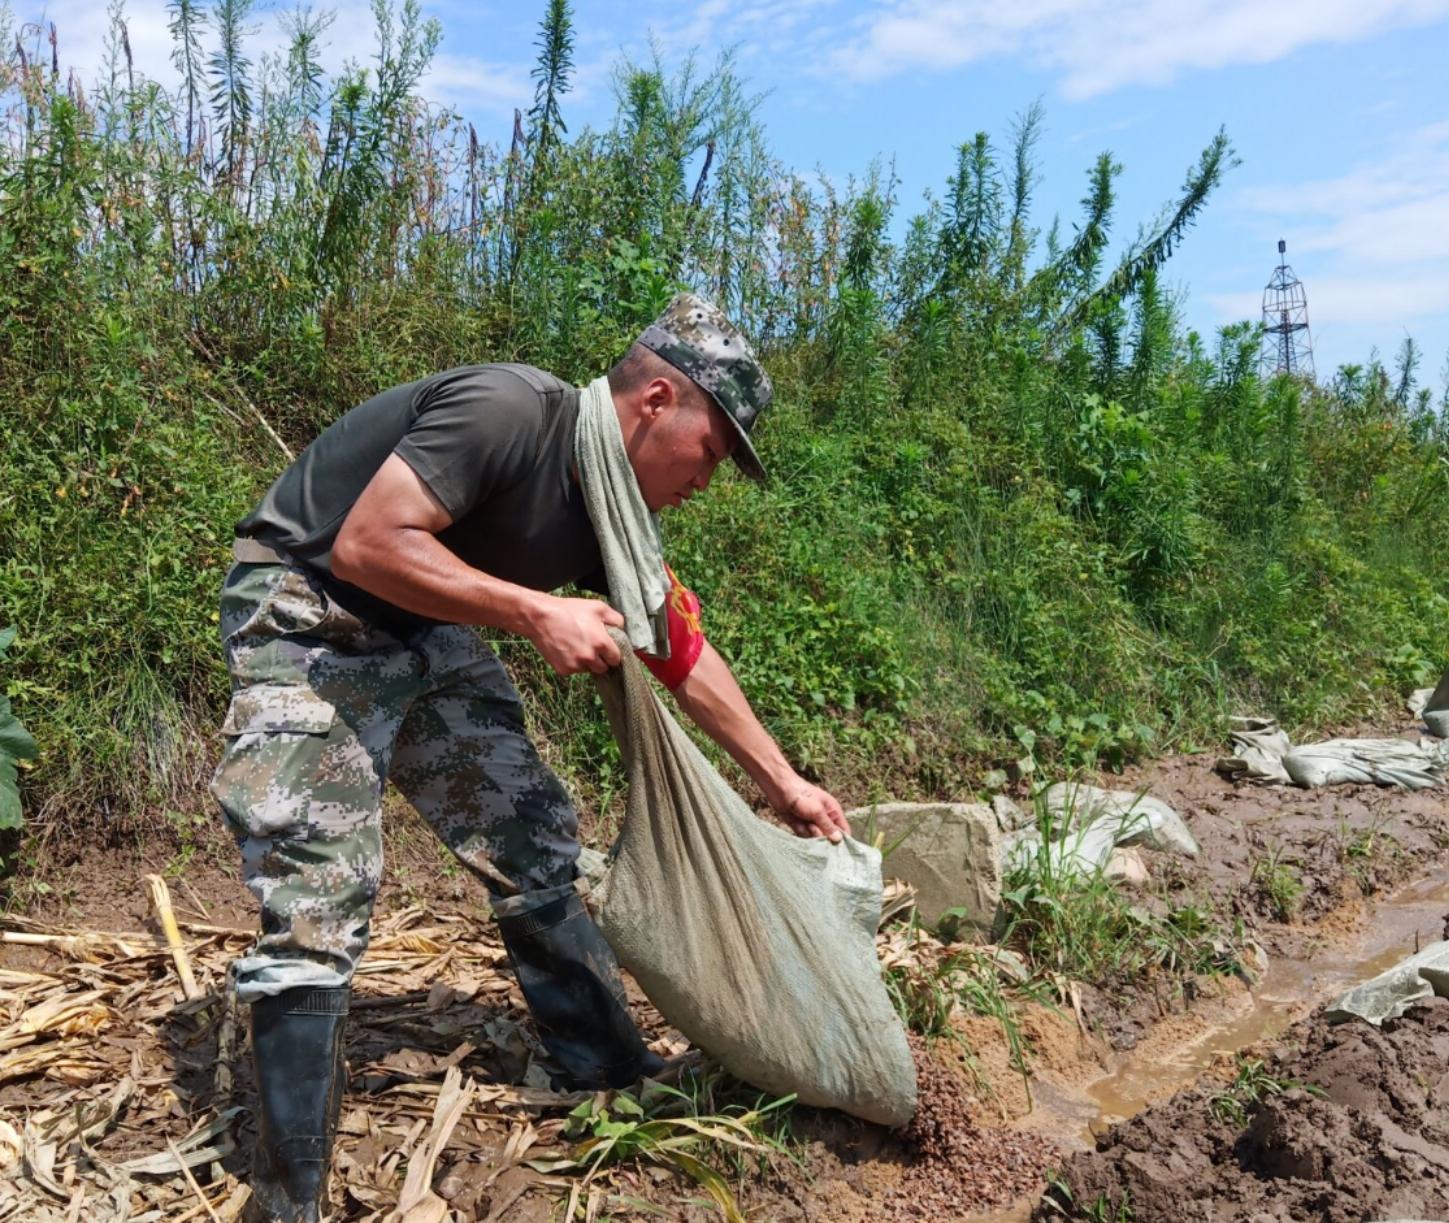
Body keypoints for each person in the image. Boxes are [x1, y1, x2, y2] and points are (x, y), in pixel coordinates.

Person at [210, 293, 850, 1222]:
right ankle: (287, 1197)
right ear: (657, 400)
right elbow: (367, 541)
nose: (709, 479)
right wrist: (531, 608)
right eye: (712, 450)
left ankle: (604, 1067)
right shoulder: (510, 411)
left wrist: (782, 781)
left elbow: (679, 650)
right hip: (310, 609)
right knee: (321, 882)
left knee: (532, 832)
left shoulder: (612, 514)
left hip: (425, 629)